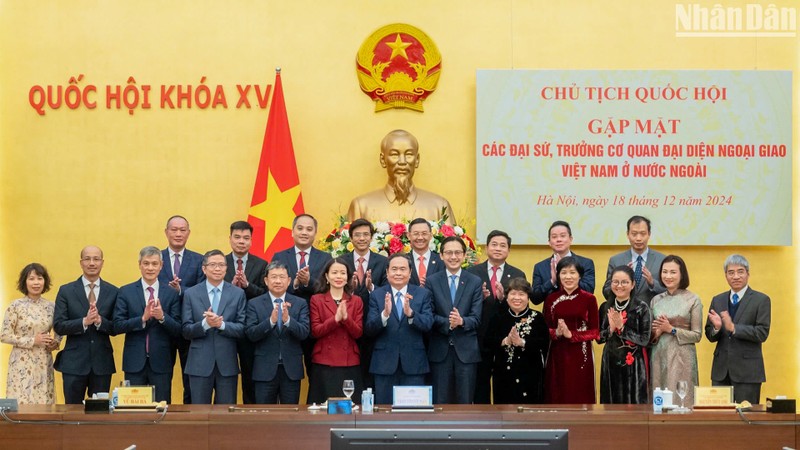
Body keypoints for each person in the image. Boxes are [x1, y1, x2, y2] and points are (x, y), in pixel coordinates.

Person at [271, 213, 332, 395]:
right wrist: (295, 284)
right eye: (300, 228)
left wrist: (307, 282)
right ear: (292, 231)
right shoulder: (280, 256)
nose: (304, 232)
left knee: (315, 370)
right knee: (288, 372)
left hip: (315, 323)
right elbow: (273, 286)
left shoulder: (325, 257)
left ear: (315, 233)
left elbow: (327, 289)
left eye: (309, 229)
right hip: (287, 321)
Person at [113, 246, 182, 403]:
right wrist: (142, 319)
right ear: (139, 265)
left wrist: (162, 317)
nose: (150, 268)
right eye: (146, 263)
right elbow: (117, 325)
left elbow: (178, 329)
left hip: (162, 362)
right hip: (134, 363)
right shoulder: (126, 291)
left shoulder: (170, 293)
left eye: (154, 264)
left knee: (161, 410)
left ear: (161, 265)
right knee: (133, 411)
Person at [466, 229, 527, 404]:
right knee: (480, 383)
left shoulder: (517, 274)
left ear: (508, 250)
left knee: (505, 381)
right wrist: (480, 299)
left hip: (506, 336)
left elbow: (523, 304)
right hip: (479, 336)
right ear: (486, 248)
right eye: (494, 244)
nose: (498, 248)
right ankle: (481, 422)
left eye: (503, 245)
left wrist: (503, 300)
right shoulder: (472, 272)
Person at [346, 129, 456, 225]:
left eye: (409, 154)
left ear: (417, 160)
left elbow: (453, 247)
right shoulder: (361, 207)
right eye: (394, 154)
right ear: (383, 160)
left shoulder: (439, 207)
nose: (402, 162)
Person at [53, 246, 119, 404]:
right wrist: (84, 321)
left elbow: (117, 327)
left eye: (96, 259)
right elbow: (59, 325)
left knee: (100, 413)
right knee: (71, 412)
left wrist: (99, 321)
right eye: (87, 259)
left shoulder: (113, 291)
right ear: (81, 263)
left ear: (102, 263)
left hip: (102, 363)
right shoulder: (66, 291)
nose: (92, 263)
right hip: (73, 363)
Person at [365, 253, 433, 405]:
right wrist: (384, 315)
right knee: (384, 413)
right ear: (387, 272)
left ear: (410, 273)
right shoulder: (377, 295)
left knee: (413, 414)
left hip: (414, 364)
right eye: (394, 269)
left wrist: (411, 315)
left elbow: (428, 324)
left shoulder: (422, 294)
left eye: (403, 269)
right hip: (384, 365)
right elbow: (369, 329)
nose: (398, 273)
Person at [181, 250, 246, 404]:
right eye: (213, 265)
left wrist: (221, 325)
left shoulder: (238, 294)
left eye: (221, 265)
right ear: (204, 269)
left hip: (227, 364)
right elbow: (185, 330)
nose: (217, 269)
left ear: (226, 268)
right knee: (199, 414)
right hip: (199, 364)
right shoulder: (191, 293)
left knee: (225, 416)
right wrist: (205, 325)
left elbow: (242, 329)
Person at [705, 254, 771, 404]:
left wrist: (734, 328)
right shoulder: (718, 299)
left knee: (747, 419)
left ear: (748, 274)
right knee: (720, 420)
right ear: (725, 276)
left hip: (748, 372)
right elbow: (709, 334)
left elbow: (762, 333)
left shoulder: (761, 300)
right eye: (731, 272)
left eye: (740, 272)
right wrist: (716, 328)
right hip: (721, 371)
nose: (736, 276)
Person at [426, 236, 483, 404]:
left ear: (464, 256)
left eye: (458, 252)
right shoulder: (432, 281)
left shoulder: (474, 281)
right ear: (441, 256)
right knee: (440, 402)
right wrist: (447, 323)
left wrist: (462, 321)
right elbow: (429, 315)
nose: (453, 257)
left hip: (466, 353)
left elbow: (477, 318)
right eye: (449, 253)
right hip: (439, 352)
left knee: (465, 402)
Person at [245, 261, 310, 404]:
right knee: (265, 416)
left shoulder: (300, 303)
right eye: (274, 277)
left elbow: (304, 333)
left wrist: (288, 321)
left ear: (289, 281)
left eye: (282, 277)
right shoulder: (254, 304)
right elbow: (251, 334)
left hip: (291, 370)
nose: (278, 281)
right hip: (264, 370)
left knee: (291, 416)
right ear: (266, 281)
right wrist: (271, 321)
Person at [158, 215, 206, 404]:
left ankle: (190, 419)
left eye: (182, 230)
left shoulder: (199, 259)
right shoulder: (156, 258)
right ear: (166, 232)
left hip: (189, 327)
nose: (178, 234)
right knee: (162, 378)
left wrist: (181, 290)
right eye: (174, 229)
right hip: (163, 325)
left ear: (188, 233)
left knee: (190, 379)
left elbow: (203, 291)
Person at [1, 263, 61, 404]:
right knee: (22, 401)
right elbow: (4, 335)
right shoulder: (15, 306)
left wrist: (55, 343)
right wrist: (32, 340)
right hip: (21, 361)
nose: (36, 283)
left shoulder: (51, 307)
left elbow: (59, 331)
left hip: (43, 360)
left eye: (39, 278)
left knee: (44, 401)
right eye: (31, 279)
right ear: (24, 282)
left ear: (44, 281)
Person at [543, 256, 599, 404]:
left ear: (580, 275)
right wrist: (557, 333)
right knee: (557, 391)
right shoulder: (550, 299)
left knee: (579, 392)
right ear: (558, 275)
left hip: (581, 354)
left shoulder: (589, 299)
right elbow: (545, 329)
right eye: (564, 273)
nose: (568, 277)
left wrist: (571, 334)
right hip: (557, 353)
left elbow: (595, 331)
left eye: (572, 273)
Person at [224, 220, 268, 404]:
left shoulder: (261, 264)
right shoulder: (220, 262)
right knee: (225, 376)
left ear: (251, 241)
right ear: (230, 239)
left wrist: (247, 286)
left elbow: (265, 296)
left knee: (250, 373)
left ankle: (250, 412)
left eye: (246, 238)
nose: (241, 241)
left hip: (250, 328)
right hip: (225, 327)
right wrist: (232, 288)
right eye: (237, 237)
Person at [308, 258, 364, 404]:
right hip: (324, 363)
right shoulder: (317, 299)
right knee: (323, 408)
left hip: (349, 363)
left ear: (348, 277)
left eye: (342, 273)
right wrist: (335, 319)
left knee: (350, 409)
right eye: (334, 273)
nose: (338, 277)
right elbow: (316, 331)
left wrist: (345, 319)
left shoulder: (356, 300)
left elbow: (358, 333)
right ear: (326, 276)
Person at [341, 218, 387, 390]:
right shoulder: (341, 260)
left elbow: (387, 291)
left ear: (372, 237)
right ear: (351, 238)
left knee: (371, 370)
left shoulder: (383, 262)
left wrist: (372, 288)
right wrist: (349, 291)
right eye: (357, 235)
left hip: (373, 323)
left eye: (366, 234)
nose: (362, 238)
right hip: (348, 322)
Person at [650, 255, 703, 407]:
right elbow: (652, 334)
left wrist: (671, 329)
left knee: (682, 401)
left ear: (682, 274)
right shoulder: (656, 300)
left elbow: (697, 335)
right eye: (664, 272)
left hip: (682, 357)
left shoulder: (693, 299)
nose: (668, 276)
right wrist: (657, 333)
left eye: (673, 272)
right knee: (659, 401)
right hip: (659, 355)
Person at [485, 277, 548, 404]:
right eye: (513, 294)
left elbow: (544, 342)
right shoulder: (498, 318)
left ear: (528, 297)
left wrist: (522, 342)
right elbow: (487, 342)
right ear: (507, 297)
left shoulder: (537, 318)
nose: (517, 298)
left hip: (530, 373)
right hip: (503, 373)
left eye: (521, 294)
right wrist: (505, 341)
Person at [598, 265, 651, 404]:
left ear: (633, 284)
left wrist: (622, 328)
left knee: (633, 404)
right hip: (610, 361)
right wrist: (611, 329)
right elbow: (599, 337)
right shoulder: (605, 307)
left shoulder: (641, 307)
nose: (619, 286)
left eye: (624, 282)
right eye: (615, 282)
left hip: (633, 364)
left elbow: (645, 339)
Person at [602, 215, 666, 304]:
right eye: (634, 234)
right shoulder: (616, 261)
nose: (638, 238)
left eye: (643, 234)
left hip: (651, 315)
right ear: (627, 234)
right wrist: (621, 281)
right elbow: (606, 292)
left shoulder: (662, 260)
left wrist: (652, 283)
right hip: (623, 314)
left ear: (649, 234)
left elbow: (669, 292)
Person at [531, 221, 595, 305]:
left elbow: (589, 290)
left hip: (580, 313)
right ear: (549, 242)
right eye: (554, 237)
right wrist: (552, 282)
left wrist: (567, 278)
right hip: (551, 314)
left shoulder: (585, 263)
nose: (559, 240)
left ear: (570, 239)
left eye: (563, 236)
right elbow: (535, 299)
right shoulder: (540, 267)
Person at [406, 217, 443, 286]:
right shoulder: (402, 260)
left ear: (431, 236)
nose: (420, 237)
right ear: (408, 236)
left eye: (424, 233)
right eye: (416, 234)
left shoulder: (441, 261)